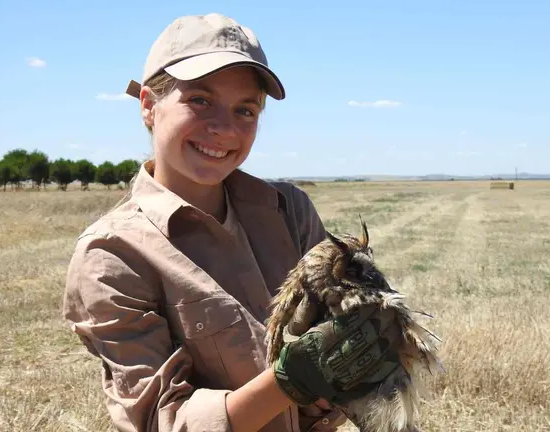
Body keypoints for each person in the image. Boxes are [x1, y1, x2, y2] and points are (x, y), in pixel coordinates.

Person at [62, 13, 403, 432]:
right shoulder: (112, 256)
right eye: (200, 101)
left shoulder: (289, 210)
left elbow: (338, 352)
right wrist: (289, 382)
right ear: (149, 106)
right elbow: (160, 421)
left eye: (245, 109)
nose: (224, 129)